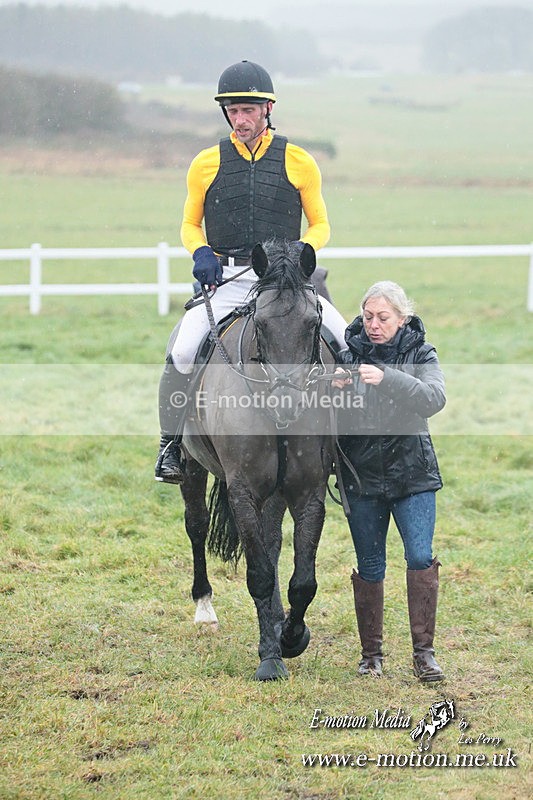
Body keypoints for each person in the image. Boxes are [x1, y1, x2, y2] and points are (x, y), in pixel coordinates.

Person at [155, 60, 347, 484]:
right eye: (233, 111)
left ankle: (351, 443)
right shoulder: (205, 163)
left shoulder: (300, 161)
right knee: (183, 352)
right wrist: (201, 251)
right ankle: (170, 444)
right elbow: (189, 223)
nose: (240, 119)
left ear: (268, 109)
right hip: (224, 279)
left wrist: (304, 252)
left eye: (248, 110)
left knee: (344, 337)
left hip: (284, 282)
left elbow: (321, 224)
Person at [332, 281, 446, 682]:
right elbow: (327, 416)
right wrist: (334, 390)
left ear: (402, 318)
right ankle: (371, 657)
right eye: (368, 317)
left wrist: (387, 378)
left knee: (419, 556)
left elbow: (434, 399)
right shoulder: (345, 356)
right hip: (361, 478)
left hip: (413, 475)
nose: (374, 325)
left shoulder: (421, 352)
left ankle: (424, 654)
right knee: (370, 564)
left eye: (383, 318)